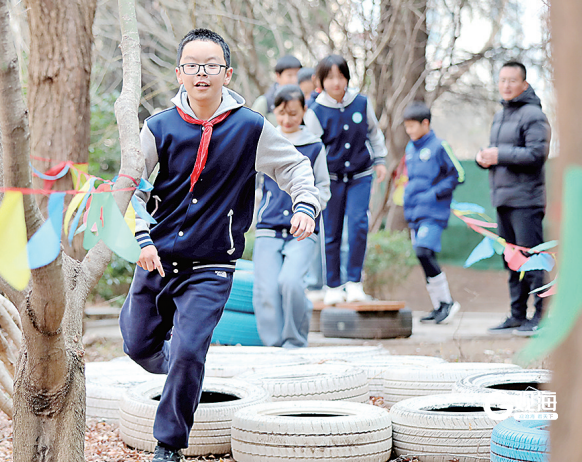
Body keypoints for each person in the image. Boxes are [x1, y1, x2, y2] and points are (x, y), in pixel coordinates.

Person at [120, 29, 320, 462]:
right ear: (179, 73)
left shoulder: (250, 127)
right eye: (192, 65)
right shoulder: (158, 126)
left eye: (211, 66)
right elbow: (129, 186)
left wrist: (305, 205)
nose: (202, 73)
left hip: (212, 264)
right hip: (156, 257)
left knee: (189, 350)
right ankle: (182, 365)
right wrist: (140, 238)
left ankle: (168, 444)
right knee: (137, 346)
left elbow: (295, 168)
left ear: (226, 74)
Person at [303, 54, 388, 304]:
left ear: (347, 78)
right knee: (332, 231)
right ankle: (333, 285)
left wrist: (380, 160)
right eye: (330, 78)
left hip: (361, 175)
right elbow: (312, 148)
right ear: (321, 81)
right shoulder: (316, 111)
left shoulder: (361, 103)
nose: (336, 83)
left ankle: (354, 283)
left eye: (340, 76)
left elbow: (374, 133)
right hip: (331, 178)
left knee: (358, 225)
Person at [253, 85, 331, 348]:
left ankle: (295, 344)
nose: (287, 119)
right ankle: (273, 347)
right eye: (282, 113)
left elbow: (323, 187)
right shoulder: (265, 141)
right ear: (274, 111)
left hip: (303, 230)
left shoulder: (315, 146)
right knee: (266, 290)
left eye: (293, 114)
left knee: (291, 283)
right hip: (268, 226)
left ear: (304, 111)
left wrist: (310, 208)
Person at [477, 61, 551, 336]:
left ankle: (541, 316)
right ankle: (517, 315)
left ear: (524, 84)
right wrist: (483, 158)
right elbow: (501, 154)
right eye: (502, 80)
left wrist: (500, 154)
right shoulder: (499, 116)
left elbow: (536, 154)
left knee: (532, 261)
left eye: (512, 80)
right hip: (503, 199)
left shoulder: (534, 115)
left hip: (526, 200)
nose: (506, 85)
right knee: (511, 261)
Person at [402, 102, 465, 324]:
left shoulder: (440, 146)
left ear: (425, 123)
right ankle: (440, 305)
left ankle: (448, 303)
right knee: (424, 257)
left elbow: (459, 174)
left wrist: (434, 194)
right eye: (406, 126)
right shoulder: (410, 148)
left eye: (412, 126)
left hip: (434, 211)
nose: (409, 131)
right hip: (415, 212)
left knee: (423, 252)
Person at [252, 55, 302, 125]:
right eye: (289, 75)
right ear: (278, 76)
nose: (295, 80)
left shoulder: (304, 98)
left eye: (297, 75)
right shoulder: (265, 103)